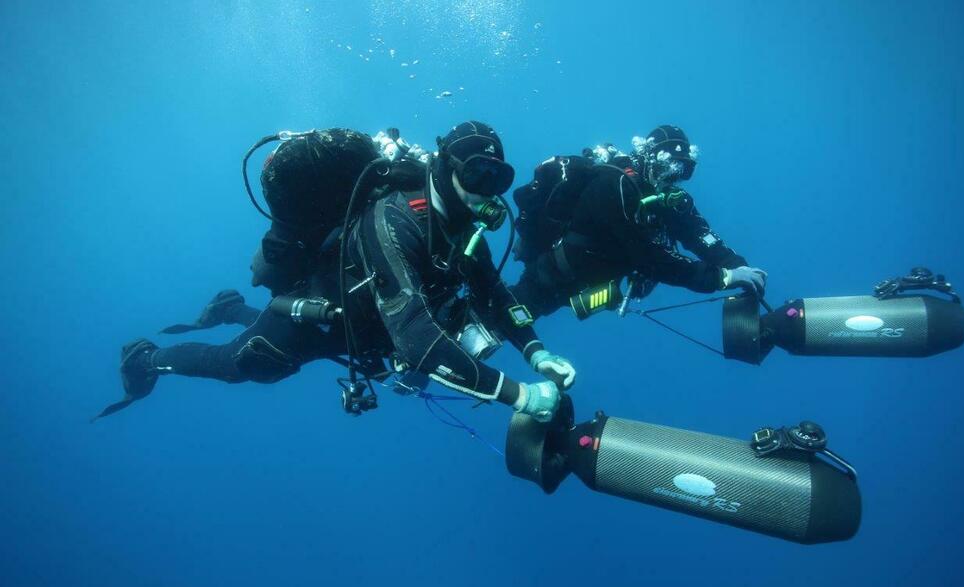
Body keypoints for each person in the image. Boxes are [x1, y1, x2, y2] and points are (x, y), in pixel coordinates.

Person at [96, 122, 576, 423]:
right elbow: (417, 340)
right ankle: (145, 357)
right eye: (476, 175)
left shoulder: (463, 234)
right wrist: (517, 395)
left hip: (366, 329)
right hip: (319, 317)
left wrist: (538, 353)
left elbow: (495, 294)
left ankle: (230, 308)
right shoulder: (397, 220)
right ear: (446, 167)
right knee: (243, 365)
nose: (486, 192)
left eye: (498, 178)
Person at [509, 125, 768, 319]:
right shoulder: (614, 185)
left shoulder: (667, 200)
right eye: (669, 167)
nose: (674, 176)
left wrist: (739, 268)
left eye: (684, 170)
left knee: (518, 321)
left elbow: (700, 236)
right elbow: (649, 258)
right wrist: (722, 278)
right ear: (650, 158)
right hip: (551, 277)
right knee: (506, 318)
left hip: (592, 285)